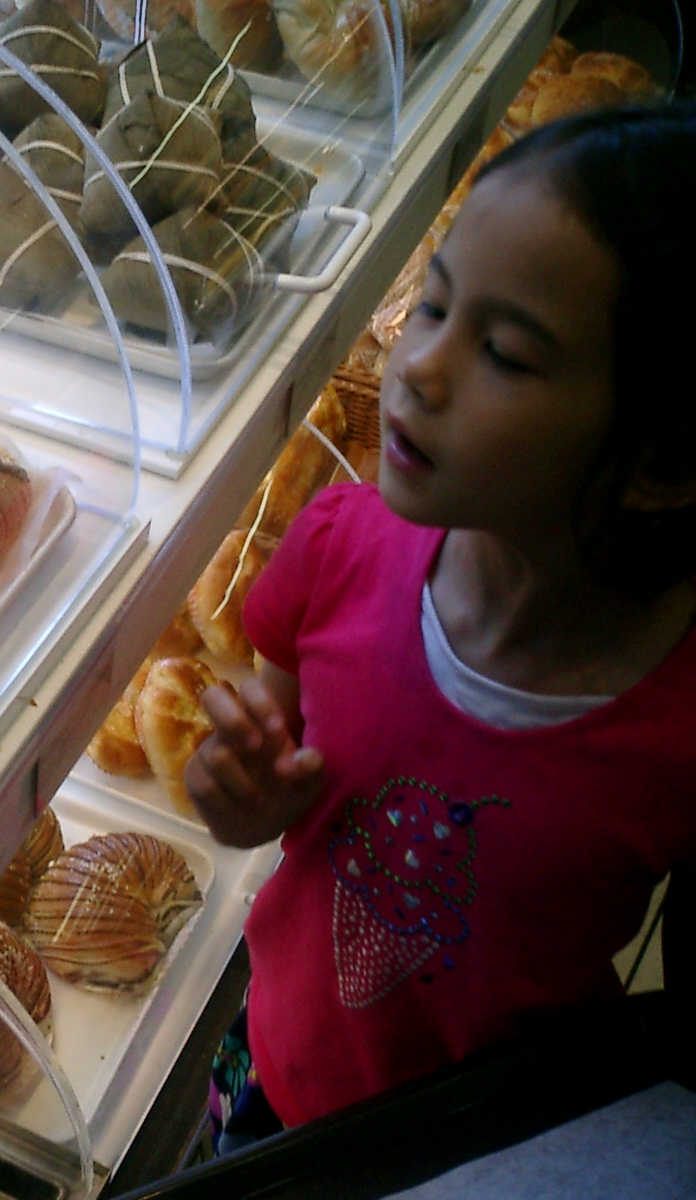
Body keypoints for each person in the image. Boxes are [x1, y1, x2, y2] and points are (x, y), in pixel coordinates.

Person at [183, 100, 696, 1153]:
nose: (417, 365)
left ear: (661, 465)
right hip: (278, 1069)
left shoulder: (677, 730)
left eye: (503, 352)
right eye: (434, 305)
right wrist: (236, 795)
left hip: (497, 1139)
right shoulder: (336, 545)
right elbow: (261, 784)